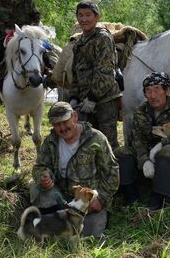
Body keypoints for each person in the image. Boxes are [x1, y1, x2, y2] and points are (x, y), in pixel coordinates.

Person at [30, 102, 119, 238]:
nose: (62, 128)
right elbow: (39, 166)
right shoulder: (51, 141)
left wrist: (101, 199)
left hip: (88, 202)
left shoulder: (96, 138)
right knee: (37, 191)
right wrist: (44, 176)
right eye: (57, 124)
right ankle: (52, 223)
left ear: (75, 117)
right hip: (62, 197)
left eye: (65, 122)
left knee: (89, 235)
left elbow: (112, 172)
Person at [114, 72, 170, 210]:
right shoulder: (140, 111)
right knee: (122, 152)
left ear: (166, 90)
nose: (153, 95)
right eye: (148, 91)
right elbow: (137, 140)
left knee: (167, 152)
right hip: (147, 154)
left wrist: (164, 143)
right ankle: (130, 197)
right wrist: (144, 160)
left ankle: (162, 198)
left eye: (157, 89)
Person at [65, 0, 121, 149]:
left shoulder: (102, 38)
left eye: (88, 15)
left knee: (108, 145)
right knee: (88, 146)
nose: (84, 19)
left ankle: (114, 173)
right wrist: (74, 97)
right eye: (80, 15)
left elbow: (106, 72)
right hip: (85, 103)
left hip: (104, 101)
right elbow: (76, 73)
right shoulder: (79, 43)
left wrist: (92, 98)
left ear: (96, 17)